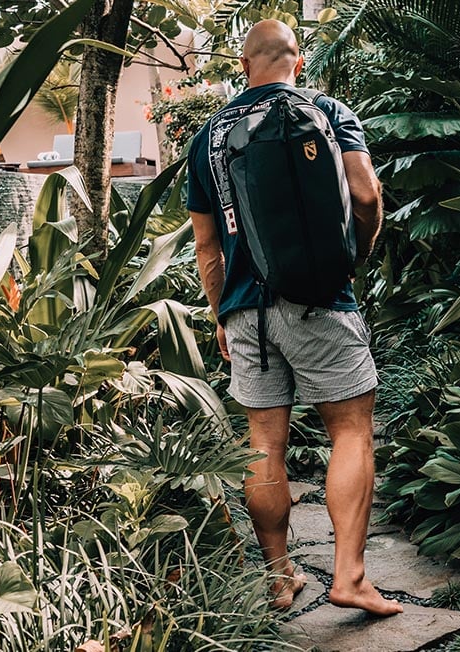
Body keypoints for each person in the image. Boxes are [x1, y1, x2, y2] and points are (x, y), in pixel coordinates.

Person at [186, 19, 403, 617]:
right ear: (298, 62)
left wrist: (221, 314)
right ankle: (351, 578)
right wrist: (351, 260)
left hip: (244, 314)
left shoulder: (207, 137)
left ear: (243, 64)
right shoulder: (328, 110)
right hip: (318, 300)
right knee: (351, 429)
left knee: (263, 443)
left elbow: (207, 246)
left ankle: (281, 578)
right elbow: (364, 195)